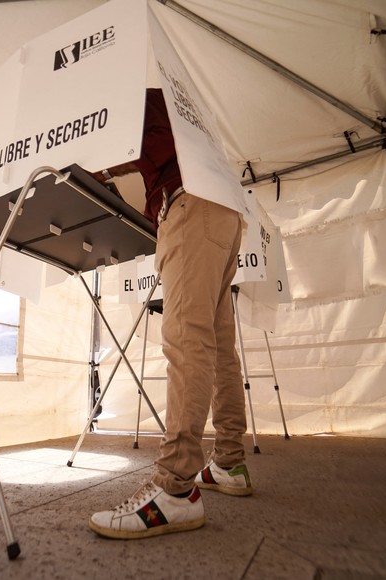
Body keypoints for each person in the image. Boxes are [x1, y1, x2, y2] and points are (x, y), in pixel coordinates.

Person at [88, 88, 252, 540]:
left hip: (188, 204)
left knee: (186, 341)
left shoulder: (135, 97)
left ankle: (174, 490)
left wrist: (97, 167)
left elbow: (112, 153)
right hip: (223, 210)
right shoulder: (177, 101)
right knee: (217, 348)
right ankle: (230, 463)